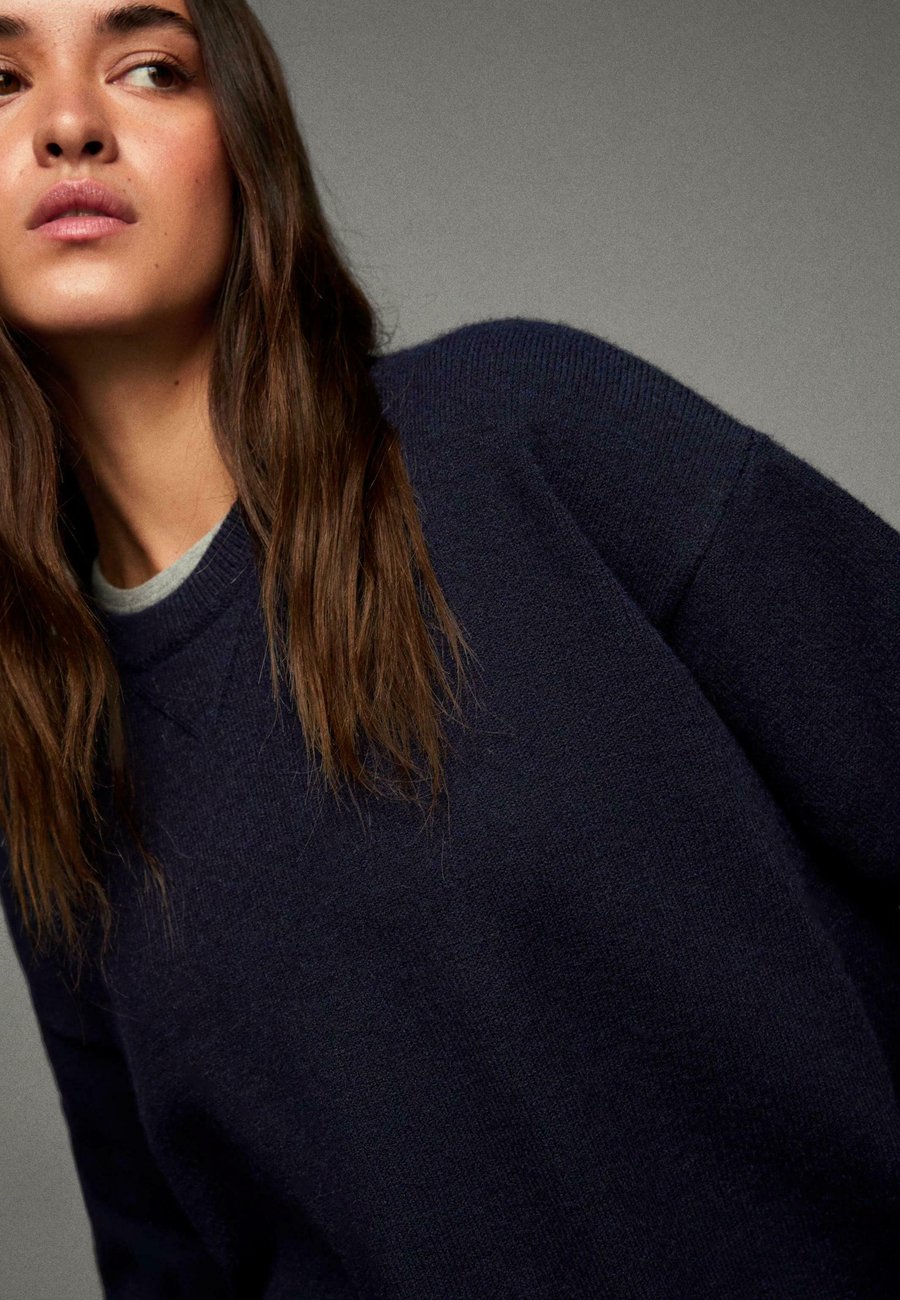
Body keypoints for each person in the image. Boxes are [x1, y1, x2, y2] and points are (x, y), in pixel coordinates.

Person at [1, 1, 898, 1296]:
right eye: (1, 80)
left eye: (149, 69)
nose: (70, 124)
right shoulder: (45, 748)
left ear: (245, 143)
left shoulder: (533, 429)